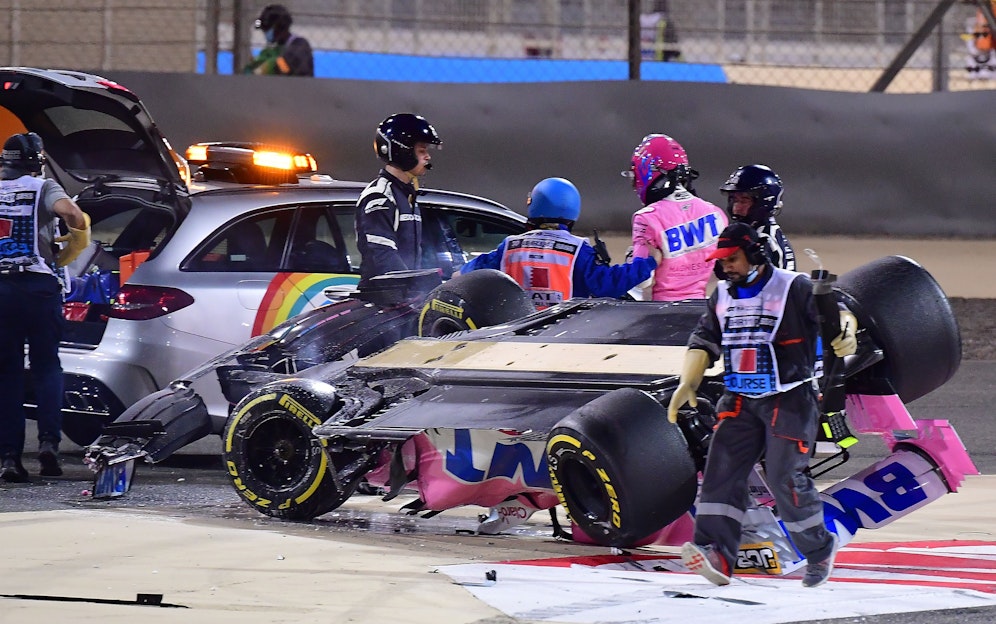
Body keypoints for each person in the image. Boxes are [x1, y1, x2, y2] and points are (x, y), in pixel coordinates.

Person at [666, 222, 857, 588]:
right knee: (720, 474)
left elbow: (839, 311)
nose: (726, 268)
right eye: (722, 261)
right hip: (739, 400)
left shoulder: (793, 287)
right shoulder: (722, 295)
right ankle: (716, 552)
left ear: (755, 254)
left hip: (790, 397)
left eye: (733, 259)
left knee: (785, 478)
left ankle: (819, 549)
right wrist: (687, 381)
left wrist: (846, 329)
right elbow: (704, 339)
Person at [0, 132, 90, 482]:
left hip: (2, 290)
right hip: (38, 288)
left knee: (7, 373)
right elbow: (72, 214)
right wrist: (76, 235)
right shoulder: (43, 187)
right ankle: (49, 444)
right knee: (47, 367)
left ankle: (10, 457)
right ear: (36, 161)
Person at [461, 177, 660, 310]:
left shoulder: (509, 247)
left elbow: (466, 275)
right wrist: (647, 263)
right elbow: (607, 285)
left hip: (513, 336)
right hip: (559, 338)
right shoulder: (578, 250)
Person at [626, 134, 727, 301]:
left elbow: (642, 281)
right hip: (702, 307)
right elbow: (723, 270)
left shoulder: (646, 218)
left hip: (661, 310)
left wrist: (631, 259)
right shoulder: (716, 213)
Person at [355, 113, 441, 289]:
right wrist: (413, 289)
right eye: (422, 151)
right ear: (403, 152)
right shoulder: (379, 196)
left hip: (402, 297)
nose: (427, 157)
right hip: (383, 298)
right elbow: (383, 256)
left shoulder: (407, 195)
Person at [719, 164, 796, 271]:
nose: (736, 207)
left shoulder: (763, 240)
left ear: (764, 201)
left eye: (744, 201)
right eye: (734, 200)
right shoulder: (758, 233)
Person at [243, 4, 314, 76]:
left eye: (266, 28)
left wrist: (270, 64)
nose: (264, 32)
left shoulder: (300, 45)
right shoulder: (272, 50)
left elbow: (286, 69)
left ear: (279, 26)